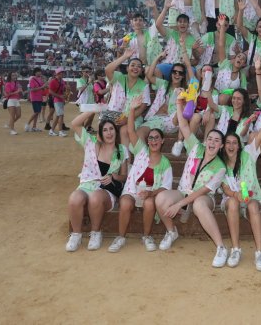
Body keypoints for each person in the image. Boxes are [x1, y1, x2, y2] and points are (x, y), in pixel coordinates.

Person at [156, 96, 228, 267]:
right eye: (210, 139)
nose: (212, 142)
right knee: (161, 199)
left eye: (217, 141)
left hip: (203, 197)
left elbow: (201, 192)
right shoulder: (197, 147)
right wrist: (178, 105)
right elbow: (182, 125)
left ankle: (221, 247)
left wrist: (179, 204)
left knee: (198, 204)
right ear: (206, 140)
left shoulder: (221, 167)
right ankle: (171, 231)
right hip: (183, 191)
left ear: (222, 146)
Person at [107, 97, 173, 253]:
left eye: (157, 138)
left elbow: (165, 187)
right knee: (125, 203)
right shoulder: (141, 151)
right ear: (147, 141)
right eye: (151, 138)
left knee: (149, 204)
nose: (153, 140)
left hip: (149, 194)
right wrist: (131, 110)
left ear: (162, 141)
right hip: (131, 190)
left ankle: (147, 236)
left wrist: (150, 193)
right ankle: (121, 237)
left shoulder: (165, 163)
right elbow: (130, 131)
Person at [219, 101, 261, 271]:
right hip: (231, 198)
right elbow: (224, 187)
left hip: (252, 196)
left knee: (252, 206)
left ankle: (259, 252)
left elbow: (260, 136)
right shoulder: (220, 162)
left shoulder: (248, 153)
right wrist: (234, 194)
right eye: (228, 143)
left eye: (234, 143)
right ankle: (236, 249)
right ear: (224, 146)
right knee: (234, 203)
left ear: (239, 145)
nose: (231, 146)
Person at [65, 116, 127, 252]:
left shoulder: (121, 150)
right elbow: (74, 123)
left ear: (115, 131)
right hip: (87, 185)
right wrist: (93, 109)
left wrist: (113, 176)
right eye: (105, 130)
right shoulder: (91, 144)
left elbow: (124, 176)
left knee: (95, 197)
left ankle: (96, 233)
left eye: (111, 129)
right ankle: (76, 235)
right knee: (74, 198)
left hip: (107, 190)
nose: (109, 132)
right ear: (100, 133)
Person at [103, 49, 151, 144]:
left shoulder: (144, 86)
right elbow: (107, 69)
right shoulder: (118, 77)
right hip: (113, 114)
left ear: (141, 70)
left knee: (124, 130)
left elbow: (142, 108)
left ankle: (126, 158)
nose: (135, 68)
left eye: (138, 66)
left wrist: (128, 118)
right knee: (104, 129)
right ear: (127, 68)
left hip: (133, 117)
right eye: (132, 65)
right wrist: (125, 56)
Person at [47, 67, 69, 137]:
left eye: (63, 73)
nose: (62, 74)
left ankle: (51, 130)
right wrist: (60, 96)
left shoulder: (62, 81)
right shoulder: (53, 81)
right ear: (57, 74)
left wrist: (66, 91)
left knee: (58, 116)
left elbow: (64, 90)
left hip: (60, 100)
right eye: (61, 73)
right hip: (57, 100)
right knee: (61, 115)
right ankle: (60, 131)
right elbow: (50, 91)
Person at [24, 67, 45, 132]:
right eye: (38, 71)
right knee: (36, 112)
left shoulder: (40, 79)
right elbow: (32, 89)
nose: (40, 73)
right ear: (35, 72)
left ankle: (34, 126)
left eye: (40, 71)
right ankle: (27, 124)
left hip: (39, 97)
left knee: (37, 112)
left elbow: (43, 87)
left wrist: (46, 84)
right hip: (34, 97)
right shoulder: (32, 79)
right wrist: (42, 87)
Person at [3, 71, 23, 135]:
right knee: (12, 116)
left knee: (19, 115)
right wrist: (17, 91)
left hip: (16, 100)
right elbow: (8, 94)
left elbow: (20, 90)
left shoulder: (17, 83)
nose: (14, 76)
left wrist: (21, 91)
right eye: (13, 75)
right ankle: (12, 130)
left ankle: (10, 124)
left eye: (15, 75)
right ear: (10, 77)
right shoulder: (8, 84)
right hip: (11, 100)